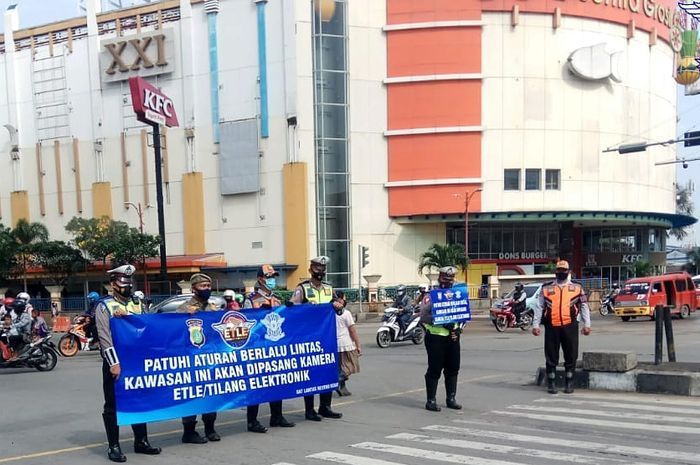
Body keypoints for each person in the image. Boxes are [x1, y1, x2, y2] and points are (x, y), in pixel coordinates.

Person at [95, 264, 161, 462]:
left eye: (129, 282)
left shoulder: (137, 304)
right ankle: (113, 446)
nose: (127, 286)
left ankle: (141, 441)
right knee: (113, 405)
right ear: (113, 284)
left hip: (137, 363)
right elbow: (104, 337)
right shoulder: (104, 306)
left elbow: (146, 327)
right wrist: (114, 363)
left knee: (140, 401)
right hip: (116, 363)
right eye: (123, 282)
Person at [289, 256, 343, 421]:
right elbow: (292, 308)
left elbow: (338, 308)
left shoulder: (328, 288)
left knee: (327, 370)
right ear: (311, 269)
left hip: (327, 337)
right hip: (309, 338)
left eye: (323, 268)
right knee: (311, 373)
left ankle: (325, 407)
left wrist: (339, 305)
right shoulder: (302, 288)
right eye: (318, 268)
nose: (321, 271)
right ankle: (309, 410)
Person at [243, 264, 295, 431]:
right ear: (260, 279)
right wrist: (258, 316)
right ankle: (252, 421)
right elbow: (245, 325)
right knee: (256, 385)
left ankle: (277, 416)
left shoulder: (277, 299)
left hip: (275, 347)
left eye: (273, 277)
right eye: (269, 277)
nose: (272, 280)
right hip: (257, 348)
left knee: (277, 382)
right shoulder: (251, 300)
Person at [532, 260, 592, 395]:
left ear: (568, 272)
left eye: (564, 270)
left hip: (570, 326)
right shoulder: (546, 288)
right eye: (559, 270)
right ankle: (551, 384)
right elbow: (539, 306)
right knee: (551, 356)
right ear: (555, 272)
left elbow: (584, 306)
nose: (561, 272)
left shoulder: (577, 288)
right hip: (551, 326)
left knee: (571, 355)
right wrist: (535, 325)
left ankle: (569, 383)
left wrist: (587, 324)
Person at [177, 273, 221, 444]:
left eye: (209, 286)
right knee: (192, 395)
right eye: (203, 286)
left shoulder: (212, 309)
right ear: (194, 288)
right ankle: (189, 431)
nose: (207, 289)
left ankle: (210, 428)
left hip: (210, 359)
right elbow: (173, 330)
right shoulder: (184, 308)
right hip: (191, 360)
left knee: (211, 394)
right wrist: (183, 316)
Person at [419, 266, 463, 412]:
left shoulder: (458, 294)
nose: (448, 281)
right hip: (435, 337)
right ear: (439, 278)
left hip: (453, 337)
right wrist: (442, 321)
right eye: (445, 278)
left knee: (453, 368)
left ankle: (451, 398)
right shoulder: (431, 296)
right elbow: (423, 317)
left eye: (450, 279)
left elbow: (463, 314)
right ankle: (430, 400)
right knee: (435, 369)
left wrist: (458, 329)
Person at [333, 290, 361, 397]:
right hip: (346, 344)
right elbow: (352, 330)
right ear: (340, 299)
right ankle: (338, 379)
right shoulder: (346, 313)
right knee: (351, 366)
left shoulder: (331, 312)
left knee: (340, 367)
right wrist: (358, 345)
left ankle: (343, 388)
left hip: (335, 345)